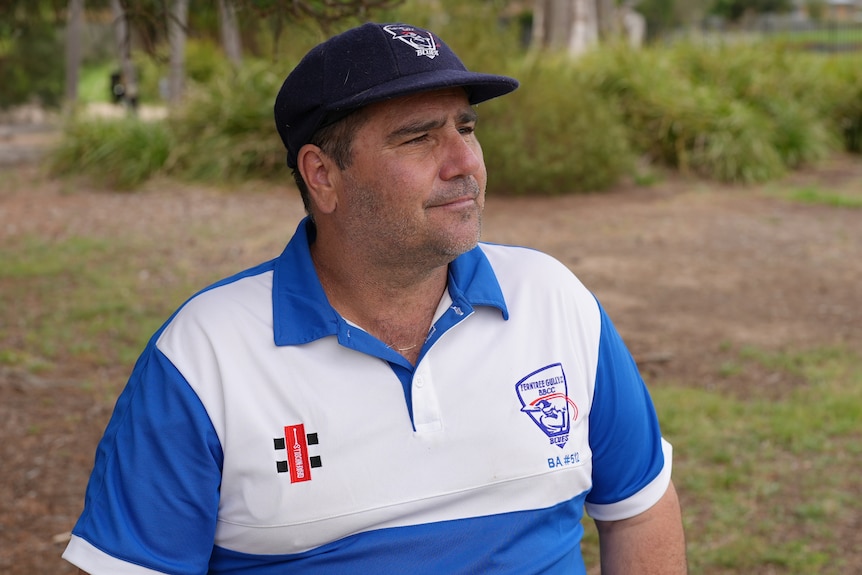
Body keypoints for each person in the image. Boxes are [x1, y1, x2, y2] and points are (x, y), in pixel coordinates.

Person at [63, 22, 687, 575]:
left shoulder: (554, 301)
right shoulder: (204, 356)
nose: (464, 160)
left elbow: (639, 510)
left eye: (465, 127)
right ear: (323, 176)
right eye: (419, 138)